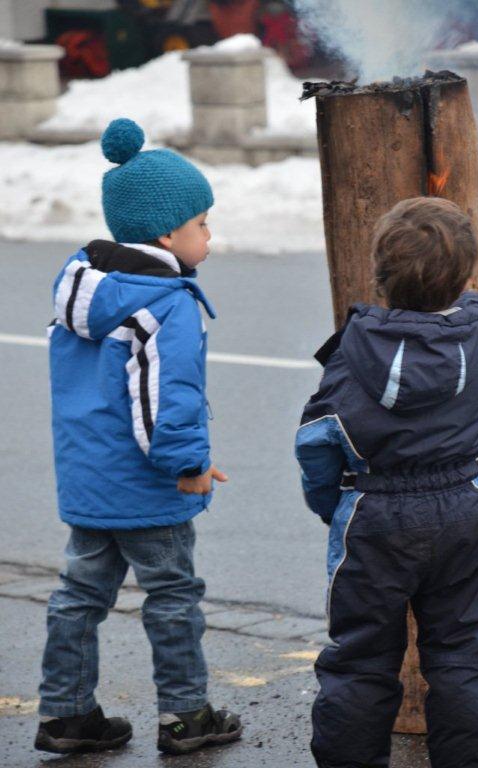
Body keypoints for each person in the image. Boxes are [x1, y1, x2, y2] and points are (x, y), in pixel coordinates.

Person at [34, 118, 242, 756]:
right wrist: (188, 464)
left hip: (89, 482)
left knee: (79, 596)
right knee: (173, 595)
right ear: (167, 233)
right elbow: (166, 398)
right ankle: (186, 715)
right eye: (202, 222)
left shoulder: (84, 292)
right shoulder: (167, 303)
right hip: (149, 489)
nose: (209, 234)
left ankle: (66, 716)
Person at [295, 197, 478, 768]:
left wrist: (332, 506)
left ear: (379, 277)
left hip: (374, 511)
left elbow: (316, 440)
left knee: (360, 659)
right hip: (465, 504)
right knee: (466, 653)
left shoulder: (352, 352)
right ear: (466, 276)